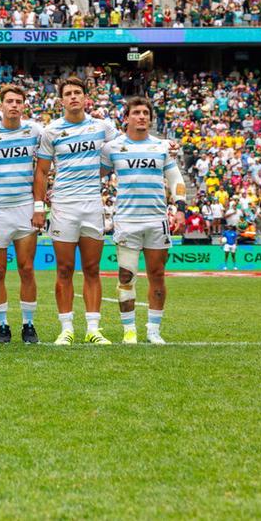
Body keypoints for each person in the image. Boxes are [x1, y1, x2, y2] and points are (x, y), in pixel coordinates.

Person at [33, 77, 120, 345]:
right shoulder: (51, 131)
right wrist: (39, 207)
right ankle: (66, 328)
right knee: (65, 269)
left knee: (93, 268)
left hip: (92, 205)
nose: (73, 97)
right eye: (68, 93)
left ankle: (93, 329)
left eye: (77, 93)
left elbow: (124, 150)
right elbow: (42, 171)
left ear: (85, 98)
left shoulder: (102, 127)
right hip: (63, 207)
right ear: (61, 100)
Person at [101, 96, 186, 344]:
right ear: (126, 118)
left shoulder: (161, 147)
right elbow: (95, 174)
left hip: (156, 220)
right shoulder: (113, 148)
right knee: (126, 277)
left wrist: (180, 208)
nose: (142, 117)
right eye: (136, 112)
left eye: (146, 113)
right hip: (127, 221)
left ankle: (153, 330)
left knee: (157, 275)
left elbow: (177, 180)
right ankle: (129, 331)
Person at [0, 84, 43, 344]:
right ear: (0, 105)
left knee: (26, 269)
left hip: (25, 207)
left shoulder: (35, 130)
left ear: (24, 105)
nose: (14, 105)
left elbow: (44, 165)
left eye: (18, 101)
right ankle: (2, 326)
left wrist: (39, 207)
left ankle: (28, 324)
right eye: (9, 101)